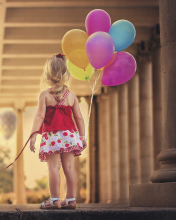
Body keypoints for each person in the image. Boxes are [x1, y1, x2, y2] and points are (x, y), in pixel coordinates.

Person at [29, 54, 87, 209]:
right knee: (69, 167)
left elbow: (40, 116)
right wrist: (82, 137)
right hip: (70, 136)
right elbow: (79, 118)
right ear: (66, 75)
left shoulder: (45, 96)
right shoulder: (72, 96)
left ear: (47, 75)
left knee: (53, 168)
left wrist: (33, 135)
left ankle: (54, 200)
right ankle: (70, 200)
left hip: (52, 136)